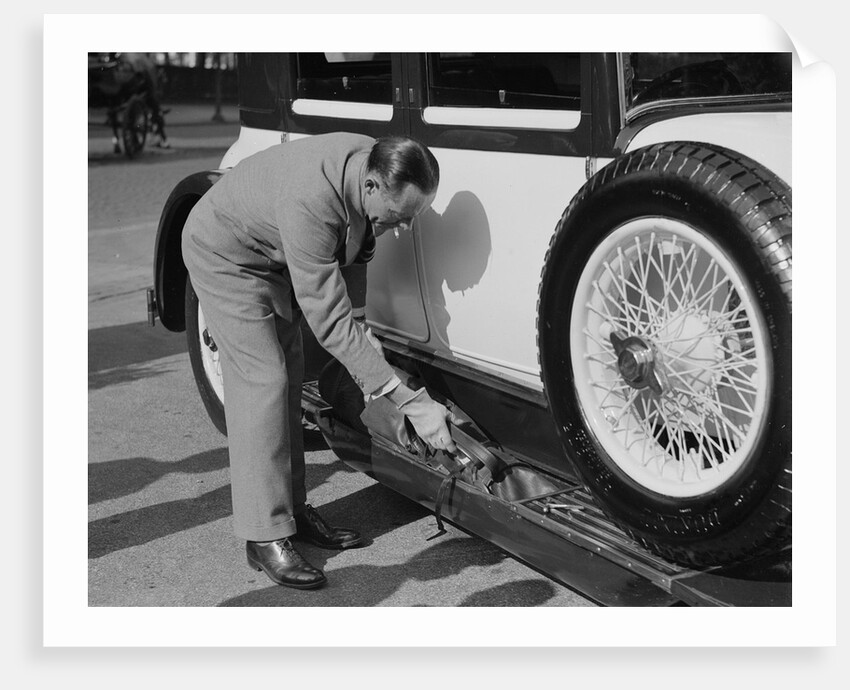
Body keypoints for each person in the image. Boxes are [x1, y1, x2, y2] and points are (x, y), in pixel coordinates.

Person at [182, 133, 457, 589]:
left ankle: (290, 511)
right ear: (371, 187)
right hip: (225, 255)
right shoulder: (311, 199)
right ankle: (263, 536)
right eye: (402, 214)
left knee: (289, 377)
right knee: (264, 382)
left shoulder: (373, 167)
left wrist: (373, 364)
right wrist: (410, 401)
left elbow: (354, 272)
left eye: (415, 215)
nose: (406, 226)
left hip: (273, 256)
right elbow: (329, 319)